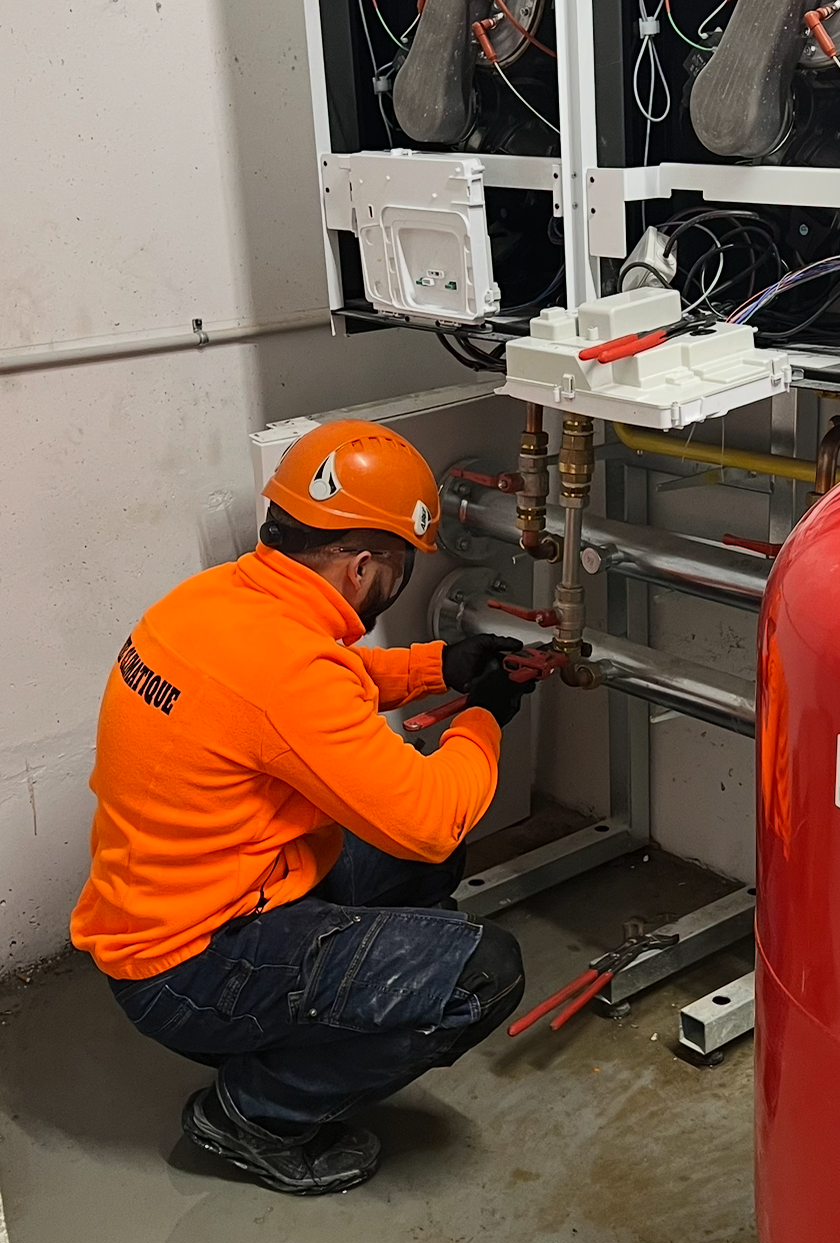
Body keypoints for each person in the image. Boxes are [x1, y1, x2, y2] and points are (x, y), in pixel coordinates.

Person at [71, 419, 536, 1197]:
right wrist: (484, 714)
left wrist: (437, 666)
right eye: (399, 569)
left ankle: (336, 1006)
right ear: (361, 568)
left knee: (415, 857)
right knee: (480, 970)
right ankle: (253, 1113)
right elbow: (431, 817)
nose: (397, 583)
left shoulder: (213, 603)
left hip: (175, 907)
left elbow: (316, 686)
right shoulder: (285, 670)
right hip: (192, 964)